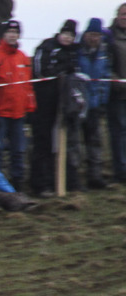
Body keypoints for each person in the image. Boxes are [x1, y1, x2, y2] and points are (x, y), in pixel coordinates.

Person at [0, 20, 34, 192]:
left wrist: (30, 107)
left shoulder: (23, 57)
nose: (12, 35)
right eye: (9, 32)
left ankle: (17, 186)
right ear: (3, 34)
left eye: (15, 32)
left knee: (18, 151)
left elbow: (27, 85)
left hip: (18, 114)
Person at [31, 20, 80, 197]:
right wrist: (60, 70)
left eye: (71, 36)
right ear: (60, 33)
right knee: (43, 142)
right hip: (43, 103)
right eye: (65, 34)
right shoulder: (47, 47)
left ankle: (61, 182)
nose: (67, 38)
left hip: (63, 104)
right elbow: (40, 72)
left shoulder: (74, 51)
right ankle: (40, 185)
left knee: (62, 142)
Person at [76, 18, 111, 189]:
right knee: (76, 143)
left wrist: (103, 101)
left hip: (95, 104)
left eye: (97, 35)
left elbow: (105, 78)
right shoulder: (77, 51)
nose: (94, 38)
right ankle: (75, 178)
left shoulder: (104, 53)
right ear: (85, 34)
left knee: (95, 142)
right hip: (78, 105)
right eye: (91, 34)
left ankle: (95, 177)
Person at [108, 4, 126, 183]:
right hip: (118, 94)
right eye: (123, 14)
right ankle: (121, 171)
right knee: (119, 133)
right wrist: (118, 82)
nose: (125, 17)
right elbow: (106, 65)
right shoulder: (110, 36)